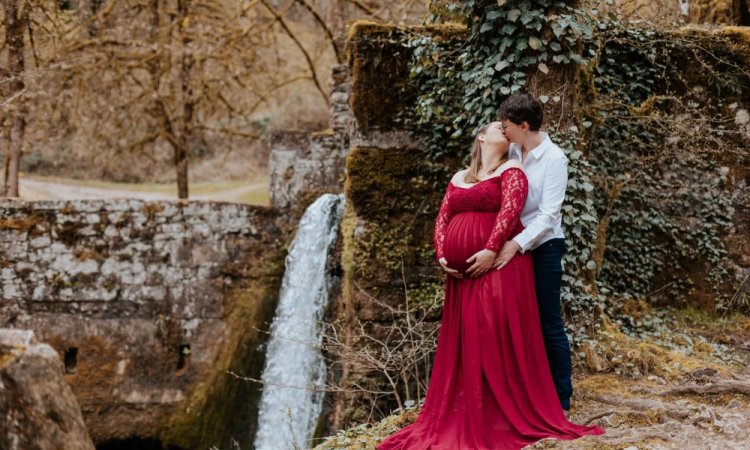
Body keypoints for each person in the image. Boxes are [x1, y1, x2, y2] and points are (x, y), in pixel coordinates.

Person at [377, 121, 603, 450]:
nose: (505, 130)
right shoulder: (459, 177)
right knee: (466, 333)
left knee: (494, 326)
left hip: (498, 263)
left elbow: (510, 213)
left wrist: (490, 249)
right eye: (498, 127)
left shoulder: (514, 168)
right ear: (481, 136)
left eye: (507, 126)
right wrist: (442, 254)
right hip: (460, 277)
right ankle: (469, 403)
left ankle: (517, 405)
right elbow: (443, 216)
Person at [493, 93, 574, 414]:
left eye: (507, 125)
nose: (503, 130)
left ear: (524, 125)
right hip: (511, 244)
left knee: (547, 321)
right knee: (515, 321)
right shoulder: (511, 150)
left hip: (543, 247)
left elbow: (549, 214)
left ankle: (561, 399)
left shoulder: (555, 159)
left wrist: (516, 244)